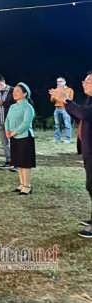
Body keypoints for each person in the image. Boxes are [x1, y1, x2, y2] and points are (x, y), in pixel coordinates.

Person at [50, 73, 92, 238]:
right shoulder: (89, 99)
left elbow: (85, 114)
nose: (84, 84)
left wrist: (66, 99)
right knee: (90, 185)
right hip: (88, 149)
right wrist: (66, 103)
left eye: (89, 81)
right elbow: (80, 114)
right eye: (84, 81)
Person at [5, 83, 36, 196]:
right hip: (14, 137)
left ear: (25, 94)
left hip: (25, 137)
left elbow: (26, 123)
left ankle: (27, 186)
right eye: (14, 91)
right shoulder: (13, 107)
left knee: (25, 162)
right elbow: (7, 119)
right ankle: (22, 184)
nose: (15, 93)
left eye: (18, 91)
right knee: (18, 161)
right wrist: (7, 130)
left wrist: (14, 132)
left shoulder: (28, 108)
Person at [0, 74, 16, 170]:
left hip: (10, 120)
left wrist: (3, 103)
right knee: (4, 142)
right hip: (0, 120)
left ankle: (17, 162)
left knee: (14, 141)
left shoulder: (13, 91)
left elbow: (16, 104)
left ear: (3, 81)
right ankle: (9, 160)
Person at [50, 77, 74, 143]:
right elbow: (52, 100)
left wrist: (62, 94)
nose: (59, 83)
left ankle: (67, 139)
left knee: (67, 124)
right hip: (57, 109)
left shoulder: (69, 90)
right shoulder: (56, 90)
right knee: (57, 125)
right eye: (58, 81)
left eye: (60, 81)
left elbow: (70, 100)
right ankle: (57, 138)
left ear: (65, 82)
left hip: (65, 109)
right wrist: (55, 94)